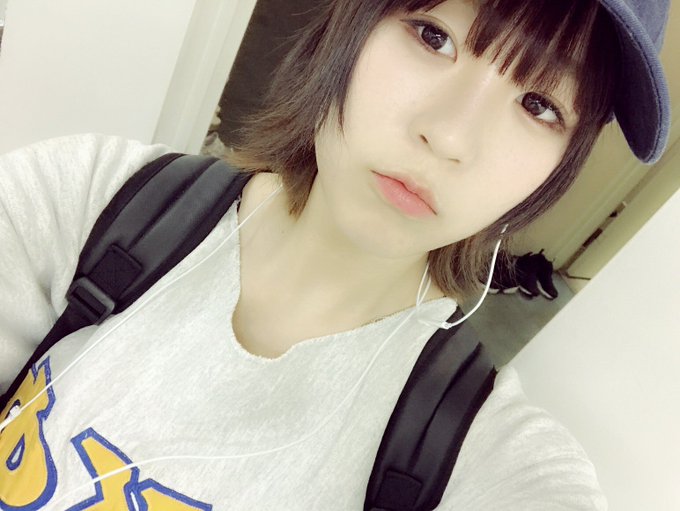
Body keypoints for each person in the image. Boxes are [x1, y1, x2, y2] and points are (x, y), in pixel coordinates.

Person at [0, 0, 670, 509]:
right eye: (432, 36)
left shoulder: (472, 450)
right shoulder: (90, 201)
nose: (448, 136)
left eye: (539, 104)